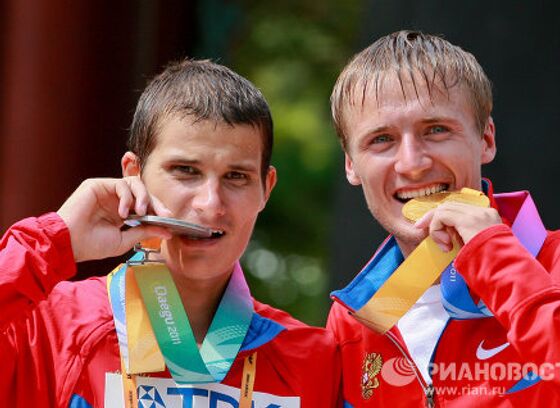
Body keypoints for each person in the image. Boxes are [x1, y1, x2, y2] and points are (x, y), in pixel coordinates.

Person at [0, 59, 341, 407]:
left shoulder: (314, 360)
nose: (211, 204)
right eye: (186, 171)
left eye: (236, 176)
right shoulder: (49, 329)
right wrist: (55, 240)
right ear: (134, 174)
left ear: (265, 189)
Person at [326, 30, 560, 407]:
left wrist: (496, 259)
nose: (413, 164)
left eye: (436, 130)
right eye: (381, 140)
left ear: (486, 139)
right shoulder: (356, 320)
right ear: (351, 165)